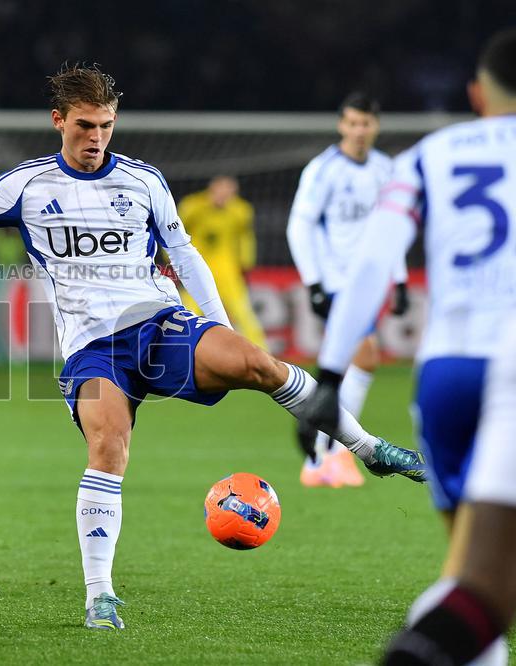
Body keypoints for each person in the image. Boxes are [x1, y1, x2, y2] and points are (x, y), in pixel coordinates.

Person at [0, 64, 427, 631]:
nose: (96, 137)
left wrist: (217, 325)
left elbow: (184, 255)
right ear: (58, 120)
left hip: (158, 323)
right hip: (92, 349)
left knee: (258, 364)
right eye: (85, 125)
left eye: (106, 125)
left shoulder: (142, 181)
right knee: (109, 447)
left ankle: (368, 449)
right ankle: (99, 593)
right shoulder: (29, 185)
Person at [299, 28, 516, 665]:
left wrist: (330, 375)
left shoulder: (428, 155)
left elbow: (372, 262)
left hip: (449, 370)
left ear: (476, 94)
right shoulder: (346, 168)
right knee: (488, 583)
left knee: (469, 573)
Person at [286, 92, 411, 489]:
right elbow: (299, 225)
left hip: (369, 281)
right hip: (337, 281)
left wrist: (401, 277)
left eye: (366, 123)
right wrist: (314, 282)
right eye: (353, 123)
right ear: (342, 124)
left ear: (376, 126)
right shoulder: (323, 170)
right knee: (365, 355)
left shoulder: (385, 169)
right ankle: (329, 457)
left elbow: (391, 228)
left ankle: (325, 456)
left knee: (356, 364)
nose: (359, 131)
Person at [177, 176, 266, 349]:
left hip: (227, 270)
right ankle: (180, 350)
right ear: (211, 189)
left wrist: (246, 262)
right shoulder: (193, 206)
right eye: (221, 190)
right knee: (188, 311)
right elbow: (175, 233)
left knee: (242, 311)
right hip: (197, 268)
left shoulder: (240, 210)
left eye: (230, 192)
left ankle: (262, 352)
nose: (224, 196)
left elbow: (245, 237)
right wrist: (175, 263)